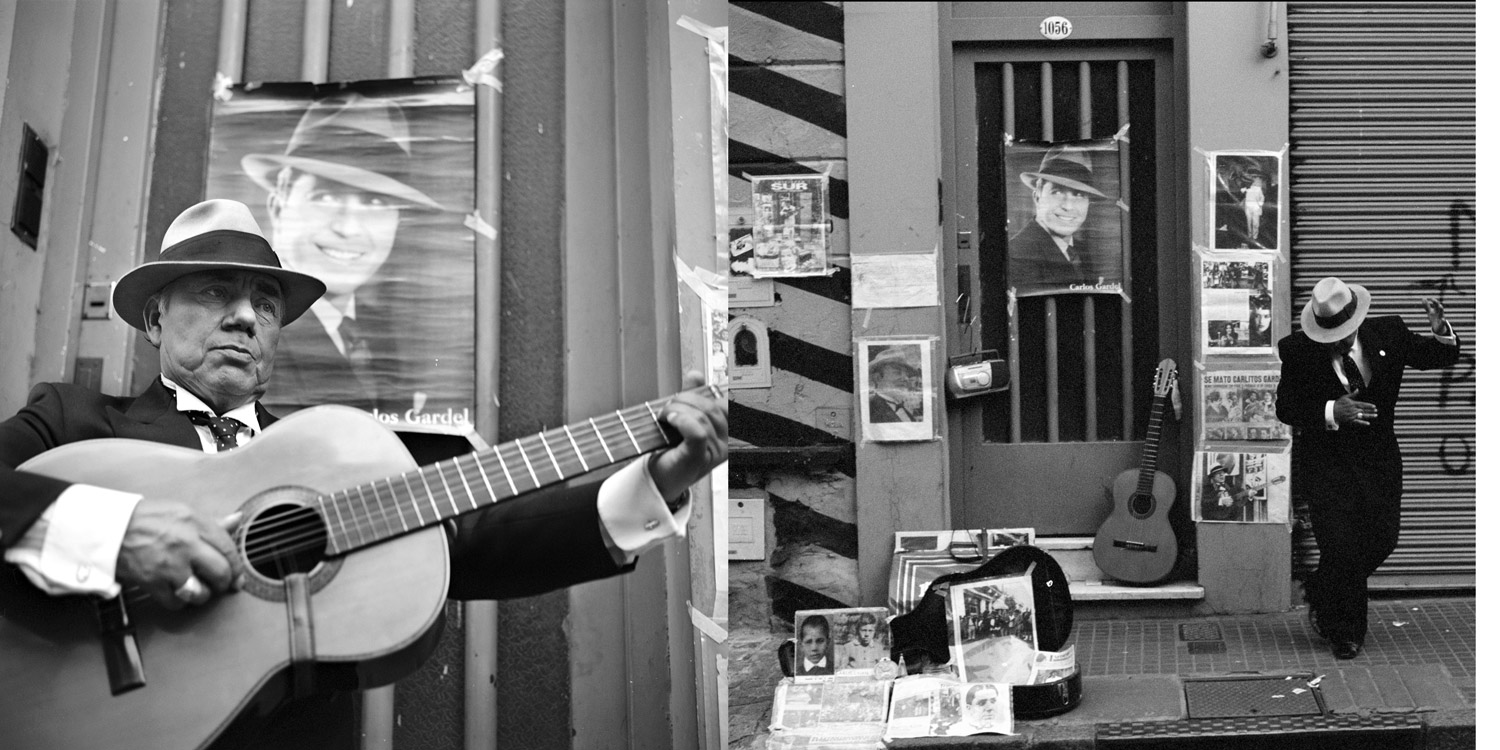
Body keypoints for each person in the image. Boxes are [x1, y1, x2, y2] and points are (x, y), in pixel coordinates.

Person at [0, 199, 728, 749]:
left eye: (264, 303)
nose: (245, 317)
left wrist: (655, 479)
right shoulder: (74, 422)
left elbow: (466, 537)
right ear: (156, 319)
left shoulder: (328, 459)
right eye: (217, 293)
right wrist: (114, 532)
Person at [1275, 277, 1458, 660]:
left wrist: (1441, 331)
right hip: (1327, 466)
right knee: (1340, 546)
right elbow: (1286, 408)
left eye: (1344, 334)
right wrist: (1330, 411)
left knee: (1382, 540)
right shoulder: (1297, 351)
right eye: (1331, 337)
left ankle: (1323, 589)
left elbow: (1436, 357)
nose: (1340, 343)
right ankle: (1346, 633)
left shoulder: (1388, 332)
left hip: (1379, 462)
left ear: (1356, 320)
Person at [240, 91, 445, 415]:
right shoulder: (247, 334)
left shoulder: (385, 335)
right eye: (325, 196)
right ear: (278, 206)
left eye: (375, 202)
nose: (349, 228)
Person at [1007, 145, 1114, 291]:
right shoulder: (1015, 257)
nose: (1068, 206)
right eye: (1056, 192)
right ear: (1037, 196)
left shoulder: (1080, 250)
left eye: (1079, 195)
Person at [867, 348, 922, 423]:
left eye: (907, 374)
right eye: (897, 372)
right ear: (878, 378)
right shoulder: (869, 408)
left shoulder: (904, 408)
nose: (906, 378)